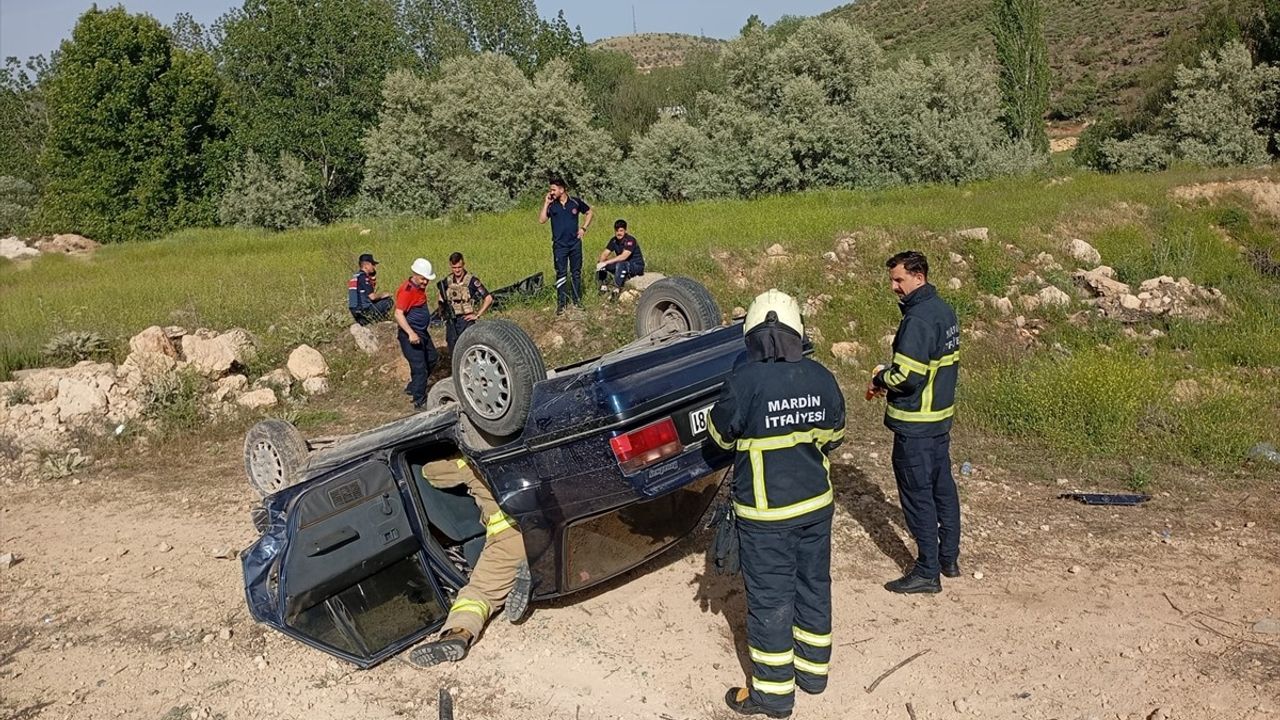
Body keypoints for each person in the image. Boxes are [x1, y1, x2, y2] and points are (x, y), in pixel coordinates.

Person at [707, 290, 846, 719]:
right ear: (796, 332)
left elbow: (719, 439)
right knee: (813, 585)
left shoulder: (743, 382)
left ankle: (772, 695)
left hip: (766, 517)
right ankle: (813, 673)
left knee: (770, 599)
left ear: (752, 335)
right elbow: (833, 437)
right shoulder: (821, 376)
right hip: (816, 507)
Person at [866, 250, 961, 595]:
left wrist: (879, 379)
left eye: (898, 280)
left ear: (918, 278)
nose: (894, 287)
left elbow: (907, 376)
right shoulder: (944, 311)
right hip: (939, 421)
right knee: (943, 489)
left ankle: (926, 571)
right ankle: (949, 559)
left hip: (915, 425)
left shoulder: (918, 319)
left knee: (918, 496)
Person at [408, 455, 531, 667]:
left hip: (510, 535)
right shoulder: (526, 451)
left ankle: (458, 634)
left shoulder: (469, 463)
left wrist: (452, 456)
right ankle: (537, 572)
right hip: (551, 522)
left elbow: (430, 474)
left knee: (480, 593)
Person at [537, 176, 593, 315]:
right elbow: (542, 220)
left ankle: (577, 301)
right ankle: (561, 304)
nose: (551, 192)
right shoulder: (552, 205)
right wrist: (546, 203)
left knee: (576, 273)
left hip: (574, 244)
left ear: (562, 189)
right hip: (559, 246)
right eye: (551, 189)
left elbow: (589, 212)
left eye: (553, 189)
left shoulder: (575, 202)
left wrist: (583, 228)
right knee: (561, 274)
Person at [395, 258, 440, 409]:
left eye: (427, 279)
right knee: (420, 368)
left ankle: (413, 387)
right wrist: (410, 333)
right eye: (423, 279)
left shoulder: (418, 287)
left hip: (422, 333)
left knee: (432, 358)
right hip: (410, 335)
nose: (425, 282)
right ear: (415, 274)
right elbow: (398, 314)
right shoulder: (407, 291)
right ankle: (419, 401)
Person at [437, 252, 493, 353]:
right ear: (450, 266)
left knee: (470, 347)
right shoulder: (447, 280)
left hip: (466, 320)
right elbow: (441, 294)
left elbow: (488, 298)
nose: (457, 270)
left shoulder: (472, 280)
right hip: (451, 321)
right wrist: (442, 308)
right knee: (453, 348)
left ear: (463, 264)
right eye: (454, 267)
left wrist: (477, 315)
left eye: (459, 267)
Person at [595, 219, 645, 299]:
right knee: (602, 264)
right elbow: (605, 254)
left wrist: (607, 262)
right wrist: (601, 263)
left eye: (621, 231)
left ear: (625, 230)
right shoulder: (614, 240)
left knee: (621, 263)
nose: (619, 233)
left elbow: (624, 256)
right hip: (622, 265)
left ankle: (616, 288)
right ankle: (603, 287)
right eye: (617, 231)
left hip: (635, 265)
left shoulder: (630, 240)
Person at [347, 252, 393, 325]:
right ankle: (380, 322)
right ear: (366, 265)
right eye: (373, 264)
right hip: (364, 311)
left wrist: (372, 279)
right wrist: (384, 295)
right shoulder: (363, 277)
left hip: (355, 313)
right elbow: (372, 297)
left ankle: (367, 322)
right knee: (388, 301)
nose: (374, 267)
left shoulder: (355, 276)